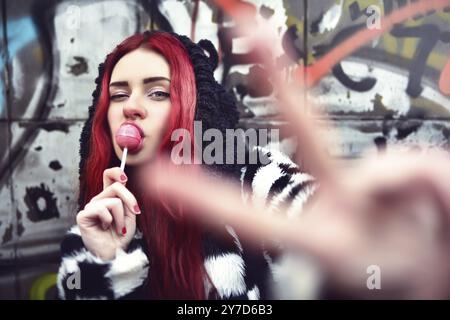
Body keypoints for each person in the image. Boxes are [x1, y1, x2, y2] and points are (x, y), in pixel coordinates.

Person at [56, 31, 314, 300]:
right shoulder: (91, 233)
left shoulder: (254, 178)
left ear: (194, 105)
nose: (131, 106)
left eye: (157, 92)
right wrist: (106, 260)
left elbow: (318, 227)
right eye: (118, 95)